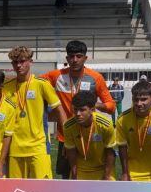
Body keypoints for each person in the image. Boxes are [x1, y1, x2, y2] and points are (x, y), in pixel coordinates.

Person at [42, 40, 115, 179]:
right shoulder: (56, 76)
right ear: (67, 58)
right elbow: (34, 84)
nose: (75, 60)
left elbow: (111, 105)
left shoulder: (95, 78)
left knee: (94, 173)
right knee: (67, 176)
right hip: (65, 135)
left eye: (79, 56)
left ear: (85, 58)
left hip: (90, 134)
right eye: (71, 56)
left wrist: (93, 105)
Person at [4, 46, 66, 179]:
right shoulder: (6, 87)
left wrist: (67, 139)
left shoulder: (42, 84)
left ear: (30, 62)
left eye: (22, 61)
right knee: (16, 191)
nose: (19, 65)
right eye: (15, 62)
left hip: (38, 147)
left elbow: (59, 111)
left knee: (43, 191)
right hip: (14, 149)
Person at [63, 92, 116, 181]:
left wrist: (106, 176)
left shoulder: (105, 125)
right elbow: (71, 152)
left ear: (92, 110)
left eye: (82, 110)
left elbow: (110, 152)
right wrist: (74, 174)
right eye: (75, 110)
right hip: (81, 169)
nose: (78, 113)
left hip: (102, 168)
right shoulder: (68, 126)